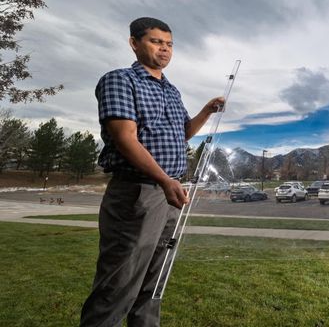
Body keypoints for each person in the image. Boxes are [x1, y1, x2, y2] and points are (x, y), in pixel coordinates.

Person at [81, 17, 225, 326]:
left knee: (153, 284)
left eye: (169, 44)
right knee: (118, 283)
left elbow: (182, 133)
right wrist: (163, 180)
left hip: (170, 194)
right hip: (137, 194)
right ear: (134, 43)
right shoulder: (119, 80)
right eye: (156, 42)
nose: (165, 49)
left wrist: (206, 111)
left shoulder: (171, 91)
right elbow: (124, 138)